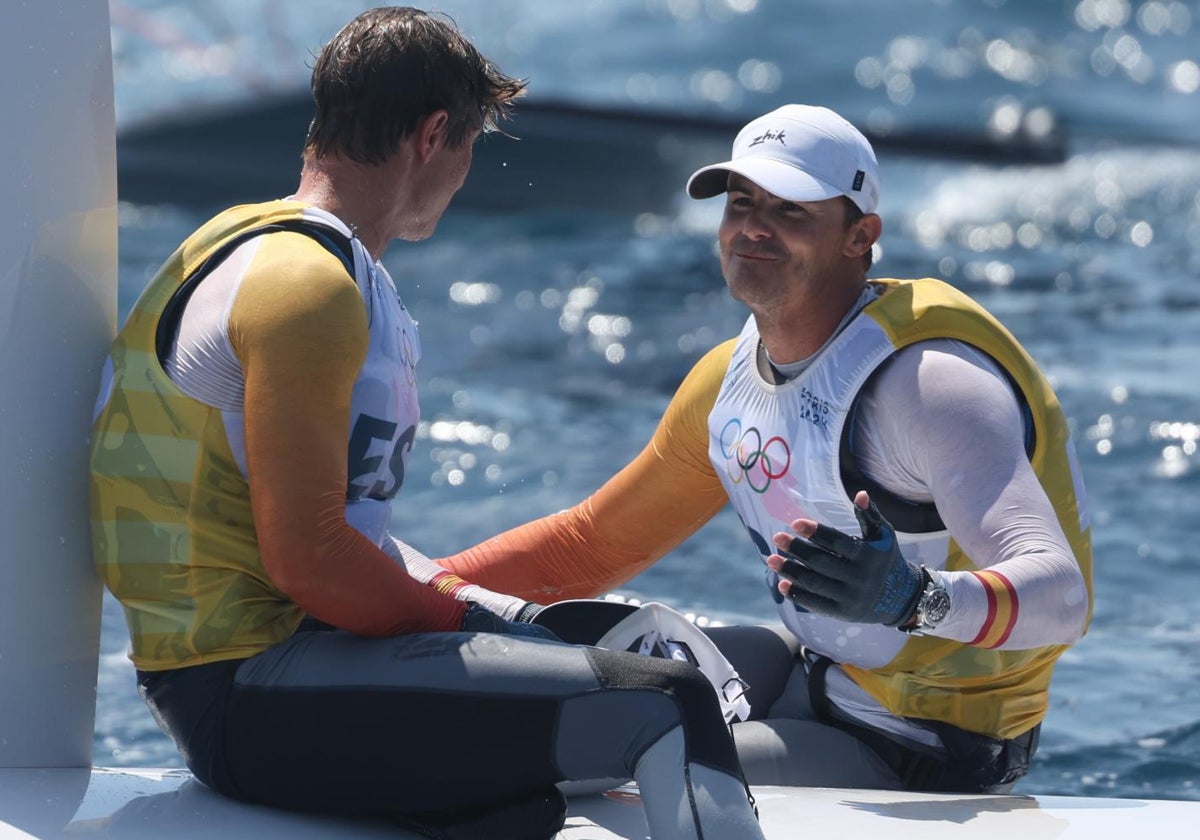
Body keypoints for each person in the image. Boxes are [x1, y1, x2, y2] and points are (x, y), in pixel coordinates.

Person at [89, 8, 766, 839]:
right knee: (669, 704)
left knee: (585, 677)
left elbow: (347, 540)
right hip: (248, 693)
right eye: (470, 146)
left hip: (274, 671)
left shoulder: (261, 245)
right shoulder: (307, 287)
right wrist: (468, 620)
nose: (465, 172)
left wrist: (502, 613)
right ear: (433, 134)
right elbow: (310, 561)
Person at [440, 103, 1094, 794]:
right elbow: (589, 547)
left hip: (924, 746)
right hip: (816, 673)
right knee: (560, 675)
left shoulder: (928, 389)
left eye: (790, 212)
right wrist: (422, 593)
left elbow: (1061, 596)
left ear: (859, 236)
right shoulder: (729, 379)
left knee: (576, 755)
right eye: (741, 203)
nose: (752, 227)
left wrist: (915, 598)